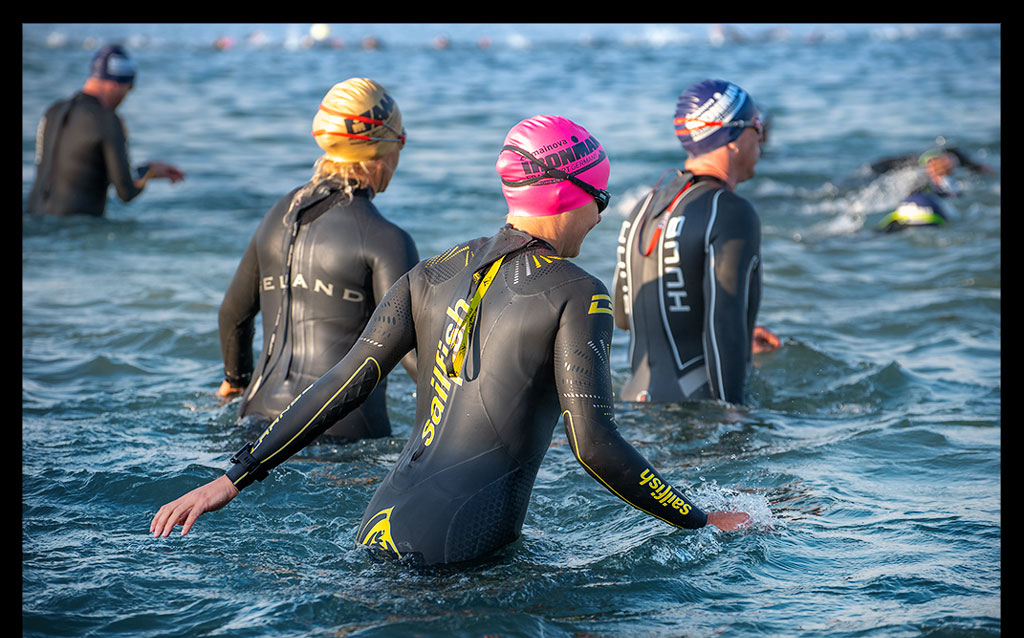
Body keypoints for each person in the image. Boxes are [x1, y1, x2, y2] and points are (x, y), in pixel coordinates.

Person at [151, 114, 751, 565]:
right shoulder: (578, 292)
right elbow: (593, 446)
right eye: (599, 197)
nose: (599, 215)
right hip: (457, 550)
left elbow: (340, 383)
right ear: (566, 193)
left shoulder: (430, 273)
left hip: (378, 525)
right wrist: (699, 521)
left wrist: (233, 477)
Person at [216, 78, 419, 441]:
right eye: (401, 141)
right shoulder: (387, 240)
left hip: (255, 424)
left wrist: (235, 382)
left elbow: (233, 315)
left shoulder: (278, 215)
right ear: (385, 146)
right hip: (344, 437)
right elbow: (414, 357)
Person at [612, 78, 772, 406]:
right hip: (696, 408)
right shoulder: (730, 211)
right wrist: (732, 413)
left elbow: (624, 314)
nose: (761, 138)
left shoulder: (643, 207)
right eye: (756, 126)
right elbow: (723, 324)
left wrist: (742, 332)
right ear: (732, 137)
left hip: (634, 400)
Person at [25, 44, 185, 217]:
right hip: (77, 228)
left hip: (33, 216)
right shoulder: (107, 120)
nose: (126, 96)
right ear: (116, 84)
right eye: (129, 88)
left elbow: (79, 173)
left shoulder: (53, 111)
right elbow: (126, 191)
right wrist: (149, 171)